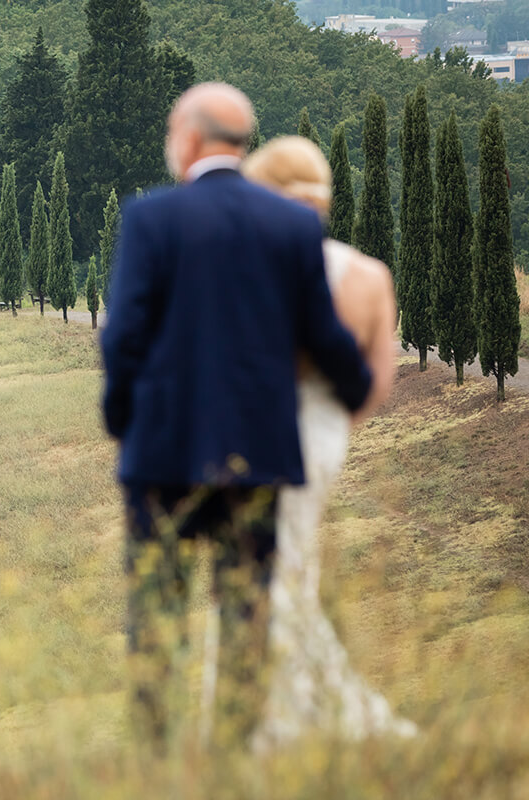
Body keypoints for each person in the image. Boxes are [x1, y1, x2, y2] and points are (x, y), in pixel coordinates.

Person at [100, 83, 373, 751]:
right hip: (257, 451)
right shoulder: (292, 226)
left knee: (159, 611)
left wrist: (120, 417)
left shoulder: (151, 218)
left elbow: (122, 335)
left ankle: (158, 754)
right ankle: (231, 756)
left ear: (189, 138)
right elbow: (322, 333)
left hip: (164, 450)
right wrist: (356, 386)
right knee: (246, 611)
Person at [241, 136, 415, 747]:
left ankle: (298, 721)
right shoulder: (368, 276)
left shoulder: (253, 273)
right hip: (324, 436)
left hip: (259, 437)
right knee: (290, 568)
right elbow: (375, 383)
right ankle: (301, 713)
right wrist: (331, 424)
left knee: (270, 576)